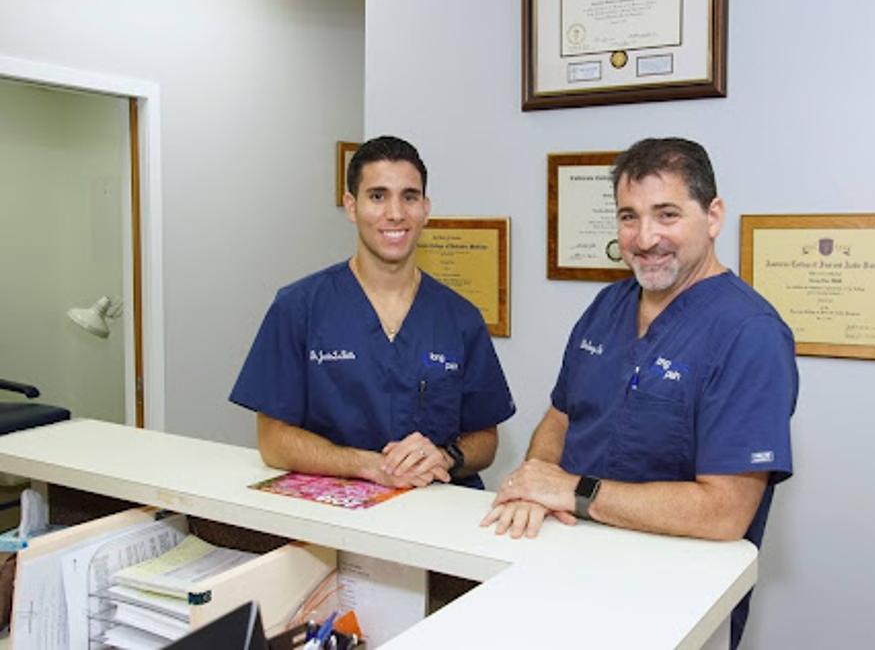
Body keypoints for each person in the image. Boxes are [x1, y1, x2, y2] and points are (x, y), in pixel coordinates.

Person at [481, 137, 797, 648]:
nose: (645, 238)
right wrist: (534, 482)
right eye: (629, 217)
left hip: (672, 594)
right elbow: (562, 417)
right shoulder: (607, 307)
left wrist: (573, 491)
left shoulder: (750, 334)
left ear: (713, 216)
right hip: (567, 565)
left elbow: (725, 510)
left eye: (667, 214)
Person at [231, 135, 515, 490]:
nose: (395, 213)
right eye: (378, 196)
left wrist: (445, 457)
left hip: (436, 510)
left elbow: (486, 439)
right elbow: (273, 440)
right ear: (351, 207)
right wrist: (368, 465)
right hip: (335, 511)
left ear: (425, 208)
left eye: (409, 197)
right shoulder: (298, 307)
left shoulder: (460, 318)